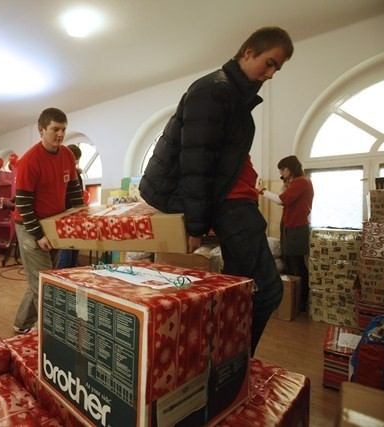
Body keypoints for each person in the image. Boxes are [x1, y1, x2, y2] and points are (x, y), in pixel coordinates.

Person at [139, 27, 294, 356]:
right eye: (269, 63)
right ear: (248, 52)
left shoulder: (232, 96)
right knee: (266, 290)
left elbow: (216, 157)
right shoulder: (214, 91)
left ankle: (220, 360)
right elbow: (197, 161)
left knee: (239, 291)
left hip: (233, 201)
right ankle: (231, 363)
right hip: (231, 204)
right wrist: (195, 226)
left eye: (277, 69)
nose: (271, 74)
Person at [12, 107, 85, 334]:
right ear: (41, 129)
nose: (60, 134)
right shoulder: (29, 160)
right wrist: (38, 235)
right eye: (55, 129)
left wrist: (80, 220)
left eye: (63, 129)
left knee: (42, 278)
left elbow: (74, 192)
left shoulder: (67, 155)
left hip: (54, 224)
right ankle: (51, 333)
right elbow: (23, 203)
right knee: (44, 283)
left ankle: (21, 325)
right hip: (29, 225)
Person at [259, 155, 314, 312]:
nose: (281, 172)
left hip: (297, 227)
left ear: (290, 168)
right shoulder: (296, 182)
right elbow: (282, 198)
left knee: (296, 263)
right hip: (291, 225)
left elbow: (281, 200)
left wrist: (262, 191)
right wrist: (284, 182)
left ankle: (301, 300)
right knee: (290, 261)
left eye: (283, 169)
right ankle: (295, 298)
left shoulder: (301, 181)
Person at [56, 143, 84, 268]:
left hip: (67, 216)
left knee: (67, 252)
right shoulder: (74, 174)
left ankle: (61, 281)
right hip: (73, 216)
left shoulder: (71, 174)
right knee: (71, 252)